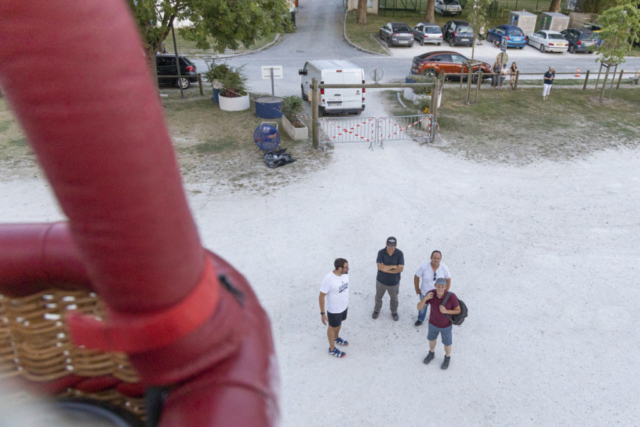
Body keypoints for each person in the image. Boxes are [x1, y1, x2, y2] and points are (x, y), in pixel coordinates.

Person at [417, 278, 461, 370]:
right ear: (435, 286)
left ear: (445, 287)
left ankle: (447, 358)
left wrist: (447, 311)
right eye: (438, 286)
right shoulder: (431, 294)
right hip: (433, 324)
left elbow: (458, 310)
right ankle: (431, 353)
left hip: (446, 326)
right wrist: (425, 298)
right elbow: (419, 307)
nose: (440, 289)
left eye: (442, 287)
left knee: (447, 343)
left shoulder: (451, 296)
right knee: (432, 340)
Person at [319, 258, 350, 358]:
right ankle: (332, 349)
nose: (348, 269)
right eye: (346, 267)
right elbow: (321, 296)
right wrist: (323, 313)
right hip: (334, 310)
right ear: (340, 268)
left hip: (343, 307)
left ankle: (336, 338)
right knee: (332, 327)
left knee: (339, 324)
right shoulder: (328, 279)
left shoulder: (345, 275)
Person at [413, 250, 451, 327]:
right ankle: (420, 319)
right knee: (422, 307)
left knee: (437, 309)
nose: (436, 260)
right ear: (431, 258)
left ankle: (436, 321)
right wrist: (417, 289)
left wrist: (446, 291)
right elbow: (416, 277)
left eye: (438, 258)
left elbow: (448, 279)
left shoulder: (444, 268)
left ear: (440, 259)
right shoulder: (424, 267)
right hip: (425, 293)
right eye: (434, 258)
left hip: (438, 294)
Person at [373, 237, 404, 321]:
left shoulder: (400, 254)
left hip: (394, 282)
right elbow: (379, 267)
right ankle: (376, 310)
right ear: (386, 244)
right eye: (389, 246)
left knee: (394, 299)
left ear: (396, 245)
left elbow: (400, 268)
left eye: (393, 246)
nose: (391, 248)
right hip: (381, 281)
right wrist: (394, 267)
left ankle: (394, 312)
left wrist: (385, 268)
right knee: (378, 297)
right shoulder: (381, 252)